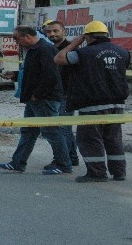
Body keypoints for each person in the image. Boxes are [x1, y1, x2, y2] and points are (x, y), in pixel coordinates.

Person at [55, 20, 130, 182]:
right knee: (114, 138)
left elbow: (59, 59)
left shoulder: (83, 53)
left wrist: (74, 43)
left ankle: (97, 173)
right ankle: (119, 172)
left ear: (87, 37)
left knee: (90, 139)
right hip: (118, 103)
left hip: (92, 103)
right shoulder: (123, 52)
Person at [0, 25, 72, 175]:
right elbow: (34, 73)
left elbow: (51, 76)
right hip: (35, 99)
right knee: (28, 131)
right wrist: (16, 76)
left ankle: (64, 164)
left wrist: (37, 94)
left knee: (51, 131)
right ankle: (18, 162)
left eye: (17, 39)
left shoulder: (44, 50)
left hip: (44, 99)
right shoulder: (34, 50)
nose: (17, 43)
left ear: (27, 37)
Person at [43, 20, 79, 168]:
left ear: (64, 32)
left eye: (55, 31)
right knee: (62, 127)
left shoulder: (70, 49)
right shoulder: (49, 49)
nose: (52, 34)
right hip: (53, 94)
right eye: (49, 32)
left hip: (66, 94)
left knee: (62, 127)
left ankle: (66, 159)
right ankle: (70, 157)